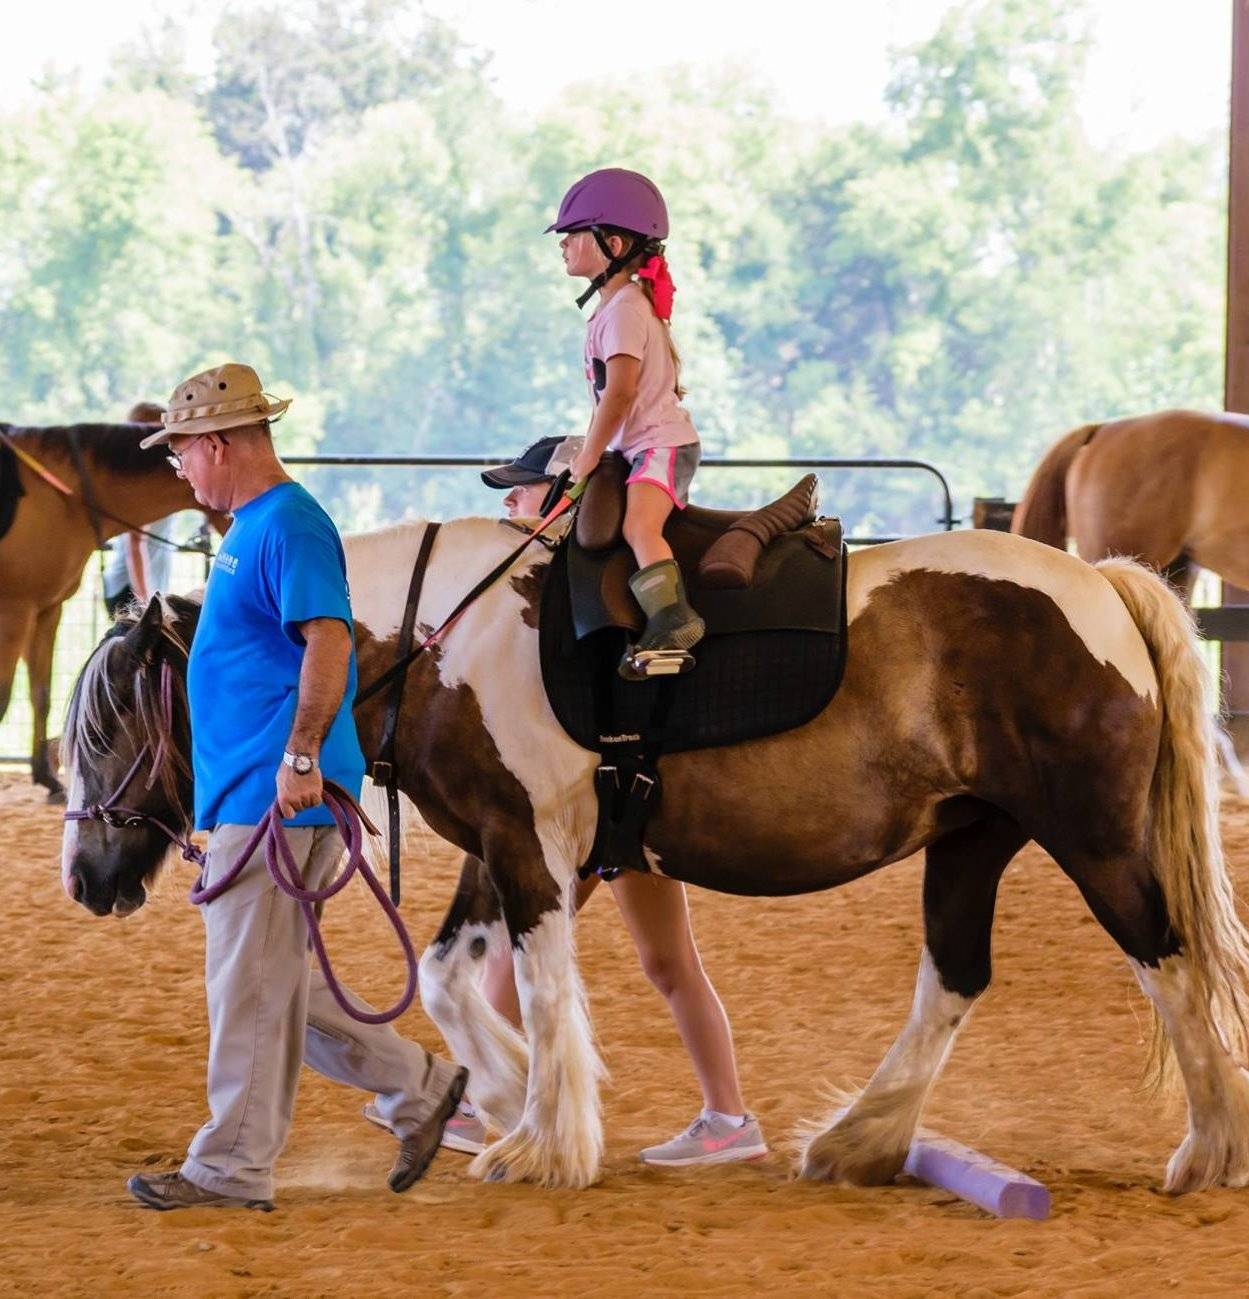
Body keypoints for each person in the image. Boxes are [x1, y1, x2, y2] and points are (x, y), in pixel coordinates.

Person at [125, 363, 466, 1212]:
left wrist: (302, 756)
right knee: (278, 983)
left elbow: (330, 639)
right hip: (257, 789)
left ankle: (229, 1168)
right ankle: (420, 1086)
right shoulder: (254, 526)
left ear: (218, 443)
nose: (178, 469)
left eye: (181, 452)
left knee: (247, 986)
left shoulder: (288, 524)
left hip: (276, 793)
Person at [378, 434, 766, 1168]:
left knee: (523, 953)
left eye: (522, 491)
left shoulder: (570, 590)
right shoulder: (566, 589)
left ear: (562, 496)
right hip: (623, 806)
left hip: (592, 811)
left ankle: (467, 1106)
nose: (507, 503)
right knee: (664, 963)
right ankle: (728, 1116)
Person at [548, 167, 706, 679]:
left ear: (612, 243)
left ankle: (673, 619)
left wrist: (589, 457)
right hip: (639, 446)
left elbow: (618, 395)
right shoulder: (615, 307)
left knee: (639, 525)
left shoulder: (624, 311)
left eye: (575, 235)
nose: (564, 245)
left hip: (661, 445)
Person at [103, 403, 174, 617]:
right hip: (130, 588)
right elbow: (135, 543)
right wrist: (146, 603)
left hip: (146, 584)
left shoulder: (156, 474)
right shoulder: (139, 481)